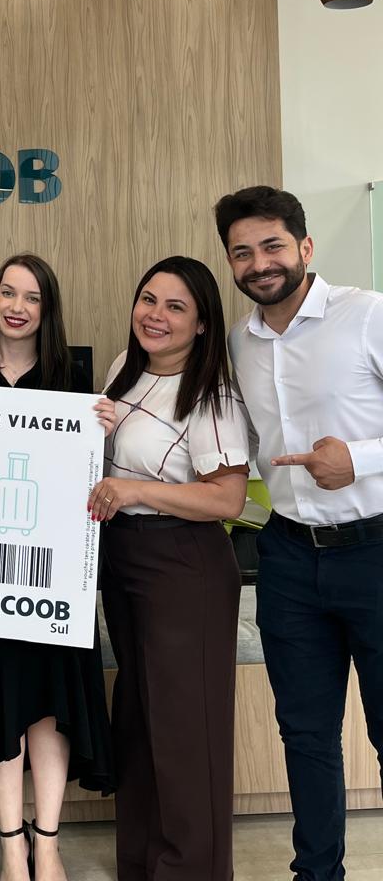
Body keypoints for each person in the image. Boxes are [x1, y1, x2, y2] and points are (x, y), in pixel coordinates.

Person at [215, 185, 383, 881]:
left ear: (305, 247)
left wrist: (359, 460)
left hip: (374, 551)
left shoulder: (367, 315)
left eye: (273, 245)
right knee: (306, 736)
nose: (260, 263)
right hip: (287, 557)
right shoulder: (238, 342)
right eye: (242, 252)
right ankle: (317, 874)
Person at [0, 254, 114, 881]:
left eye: (32, 297)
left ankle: (49, 841)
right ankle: (12, 845)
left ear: (47, 308)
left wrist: (106, 428)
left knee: (48, 708)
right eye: (7, 292)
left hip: (54, 576)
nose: (17, 306)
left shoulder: (72, 376)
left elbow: (89, 472)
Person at [88, 257, 249, 881]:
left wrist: (134, 491)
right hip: (124, 558)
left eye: (176, 307)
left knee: (186, 731)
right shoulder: (121, 372)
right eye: (148, 299)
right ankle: (142, 865)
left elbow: (227, 500)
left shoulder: (211, 393)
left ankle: (192, 871)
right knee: (140, 718)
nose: (155, 316)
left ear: (202, 324)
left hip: (184, 566)